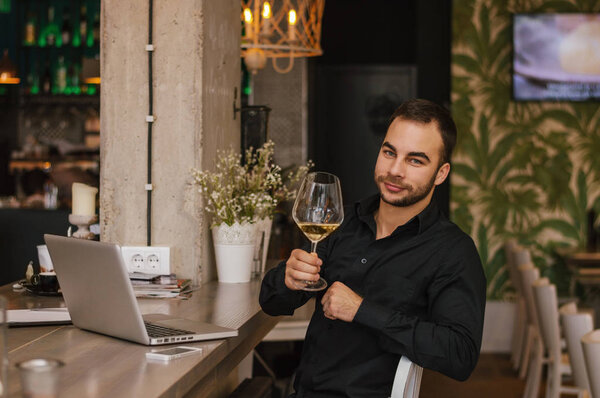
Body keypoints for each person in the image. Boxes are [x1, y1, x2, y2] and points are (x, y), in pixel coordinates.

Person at [259, 98, 487, 397]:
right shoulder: (342, 222)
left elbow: (460, 355)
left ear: (441, 173)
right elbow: (271, 303)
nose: (395, 170)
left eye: (415, 160)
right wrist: (288, 279)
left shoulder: (453, 251)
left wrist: (362, 310)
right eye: (389, 152)